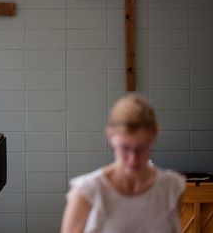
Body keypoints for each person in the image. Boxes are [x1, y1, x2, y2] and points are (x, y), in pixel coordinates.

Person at [61, 94, 185, 233]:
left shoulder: (171, 187)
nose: (133, 159)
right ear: (111, 138)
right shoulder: (87, 191)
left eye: (141, 148)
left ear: (153, 139)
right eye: (125, 148)